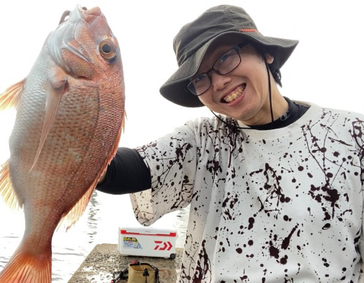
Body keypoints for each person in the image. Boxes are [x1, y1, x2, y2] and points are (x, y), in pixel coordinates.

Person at [96, 4, 364, 283]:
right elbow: (123, 170)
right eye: (200, 78)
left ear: (266, 52)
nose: (219, 82)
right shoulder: (203, 141)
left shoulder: (352, 137)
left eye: (225, 58)